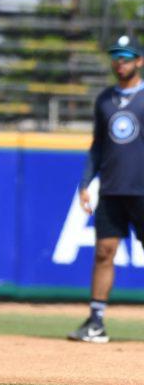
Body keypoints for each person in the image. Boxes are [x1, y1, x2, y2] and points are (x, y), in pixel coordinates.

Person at [69, 35, 144, 344]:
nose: (120, 62)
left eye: (126, 57)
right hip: (112, 190)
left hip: (142, 191)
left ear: (139, 61)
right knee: (104, 253)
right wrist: (86, 182)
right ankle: (96, 321)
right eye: (116, 56)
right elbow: (98, 146)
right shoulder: (104, 100)